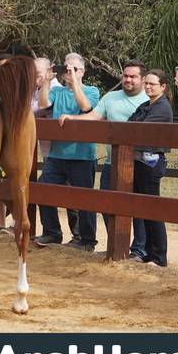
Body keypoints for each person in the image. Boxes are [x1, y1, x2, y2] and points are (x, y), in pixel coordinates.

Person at [59, 59, 149, 247]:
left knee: (139, 208)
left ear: (143, 79)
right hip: (112, 163)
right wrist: (73, 118)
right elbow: (93, 116)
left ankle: (139, 249)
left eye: (133, 76)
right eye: (125, 76)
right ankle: (116, 245)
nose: (128, 80)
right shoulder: (111, 98)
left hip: (140, 164)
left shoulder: (149, 100)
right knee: (106, 204)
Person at [33, 53, 101, 252]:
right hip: (56, 154)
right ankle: (52, 232)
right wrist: (46, 80)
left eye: (74, 69)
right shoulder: (58, 91)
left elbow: (85, 107)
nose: (68, 72)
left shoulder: (92, 90)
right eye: (66, 68)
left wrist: (75, 82)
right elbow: (43, 105)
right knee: (43, 189)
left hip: (81, 155)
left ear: (83, 72)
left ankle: (86, 240)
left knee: (83, 198)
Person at [122, 68, 174, 267]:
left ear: (163, 86)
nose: (149, 87)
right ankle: (149, 253)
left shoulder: (162, 107)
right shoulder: (146, 105)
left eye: (153, 84)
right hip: (139, 162)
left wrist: (133, 129)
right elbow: (129, 126)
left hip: (151, 163)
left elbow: (139, 130)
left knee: (153, 209)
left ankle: (159, 257)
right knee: (142, 209)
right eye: (147, 83)